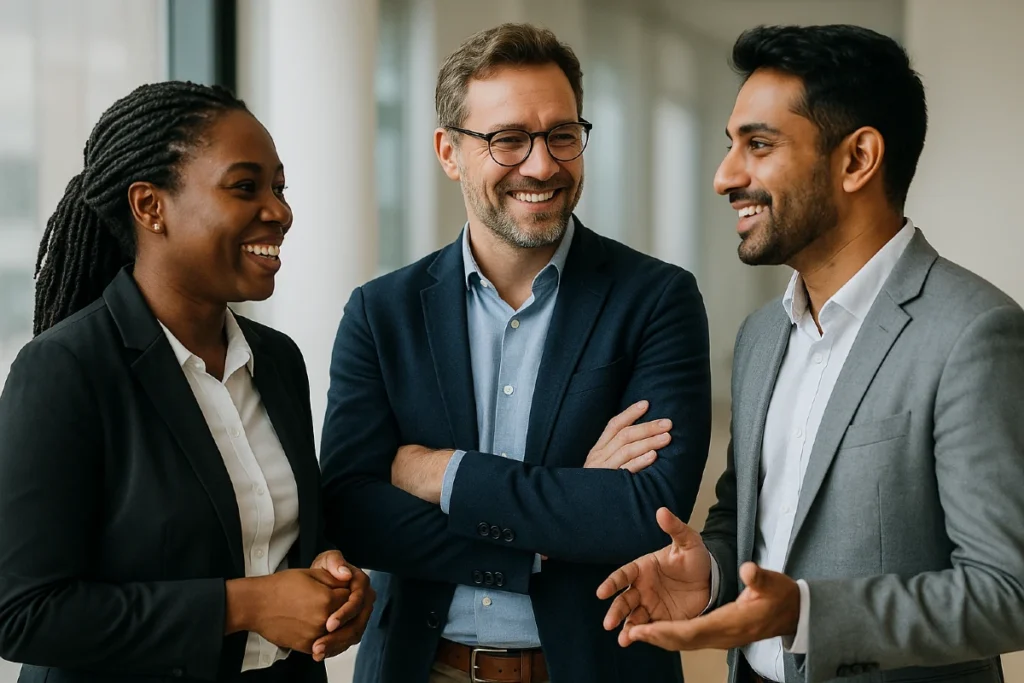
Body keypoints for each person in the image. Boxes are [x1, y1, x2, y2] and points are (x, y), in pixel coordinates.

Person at [598, 23, 1024, 683]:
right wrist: (710, 571)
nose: (724, 177)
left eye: (759, 145)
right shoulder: (761, 335)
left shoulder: (975, 332)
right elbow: (746, 518)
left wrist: (805, 611)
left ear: (857, 159)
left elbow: (1007, 592)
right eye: (730, 146)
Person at [320, 22, 711, 683]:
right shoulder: (380, 312)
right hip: (422, 667)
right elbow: (354, 512)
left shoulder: (656, 299)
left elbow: (646, 510)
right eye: (508, 140)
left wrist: (442, 474)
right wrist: (557, 521)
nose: (542, 164)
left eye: (562, 135)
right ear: (449, 152)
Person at [0, 81, 374, 683]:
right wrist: (245, 604)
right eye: (245, 187)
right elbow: (21, 613)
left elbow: (274, 540)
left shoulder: (276, 362)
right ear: (150, 207)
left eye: (279, 187)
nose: (280, 210)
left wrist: (330, 576)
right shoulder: (64, 371)